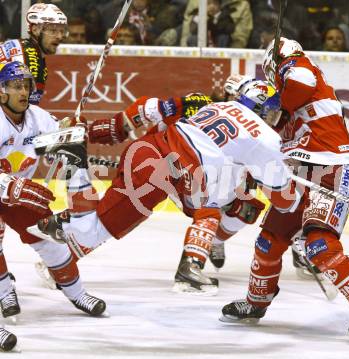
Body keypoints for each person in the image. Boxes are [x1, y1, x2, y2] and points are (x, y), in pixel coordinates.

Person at [29, 81, 300, 300]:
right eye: (273, 113)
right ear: (262, 110)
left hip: (148, 152)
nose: (275, 120)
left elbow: (148, 109)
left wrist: (89, 131)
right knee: (209, 209)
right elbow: (283, 197)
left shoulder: (214, 106)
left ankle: (62, 255)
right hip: (181, 168)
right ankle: (191, 268)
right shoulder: (265, 138)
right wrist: (293, 198)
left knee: (105, 225)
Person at [220, 37, 349, 345]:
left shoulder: (299, 68)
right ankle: (256, 303)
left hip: (331, 172)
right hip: (301, 177)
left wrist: (272, 77)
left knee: (320, 246)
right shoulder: (281, 108)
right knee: (268, 241)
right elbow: (266, 131)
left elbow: (299, 79)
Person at [0, 61, 107, 329]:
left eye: (26, 85)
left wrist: (71, 133)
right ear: (2, 91)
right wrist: (10, 187)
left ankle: (77, 294)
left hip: (20, 195)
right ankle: (4, 294)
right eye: (16, 86)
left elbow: (53, 140)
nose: (23, 91)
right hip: (11, 189)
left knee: (52, 243)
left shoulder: (37, 116)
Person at [0, 3, 68, 105]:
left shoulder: (23, 47)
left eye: (62, 31)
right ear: (35, 30)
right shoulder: (30, 58)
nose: (59, 36)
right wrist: (54, 121)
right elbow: (23, 109)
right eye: (53, 30)